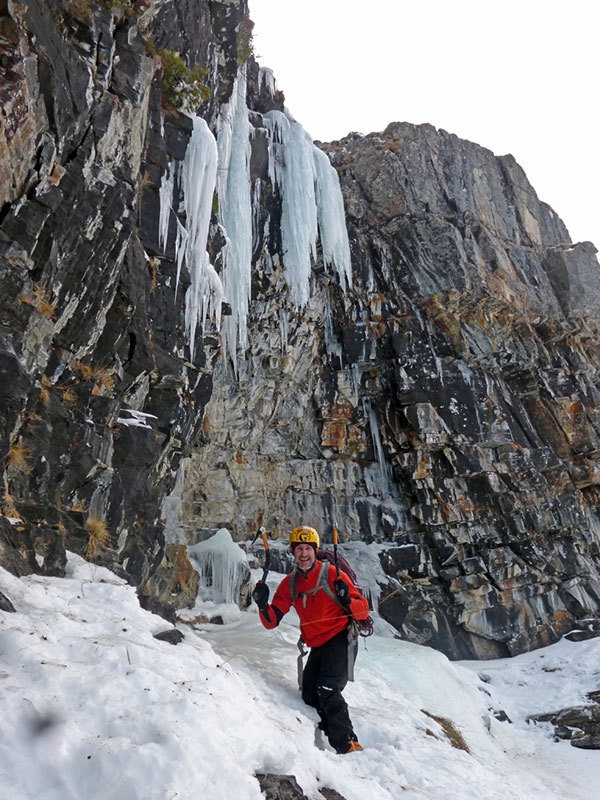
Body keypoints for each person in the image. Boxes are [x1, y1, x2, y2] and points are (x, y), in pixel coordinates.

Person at [252, 525, 370, 754]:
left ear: (315, 550)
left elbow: (363, 611)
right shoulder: (290, 583)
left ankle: (347, 744)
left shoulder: (333, 574)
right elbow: (271, 621)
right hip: (318, 644)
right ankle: (327, 728)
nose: (303, 554)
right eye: (299, 549)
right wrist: (262, 604)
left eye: (308, 548)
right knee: (309, 694)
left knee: (327, 688)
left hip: (340, 638)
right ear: (293, 552)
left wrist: (347, 601)